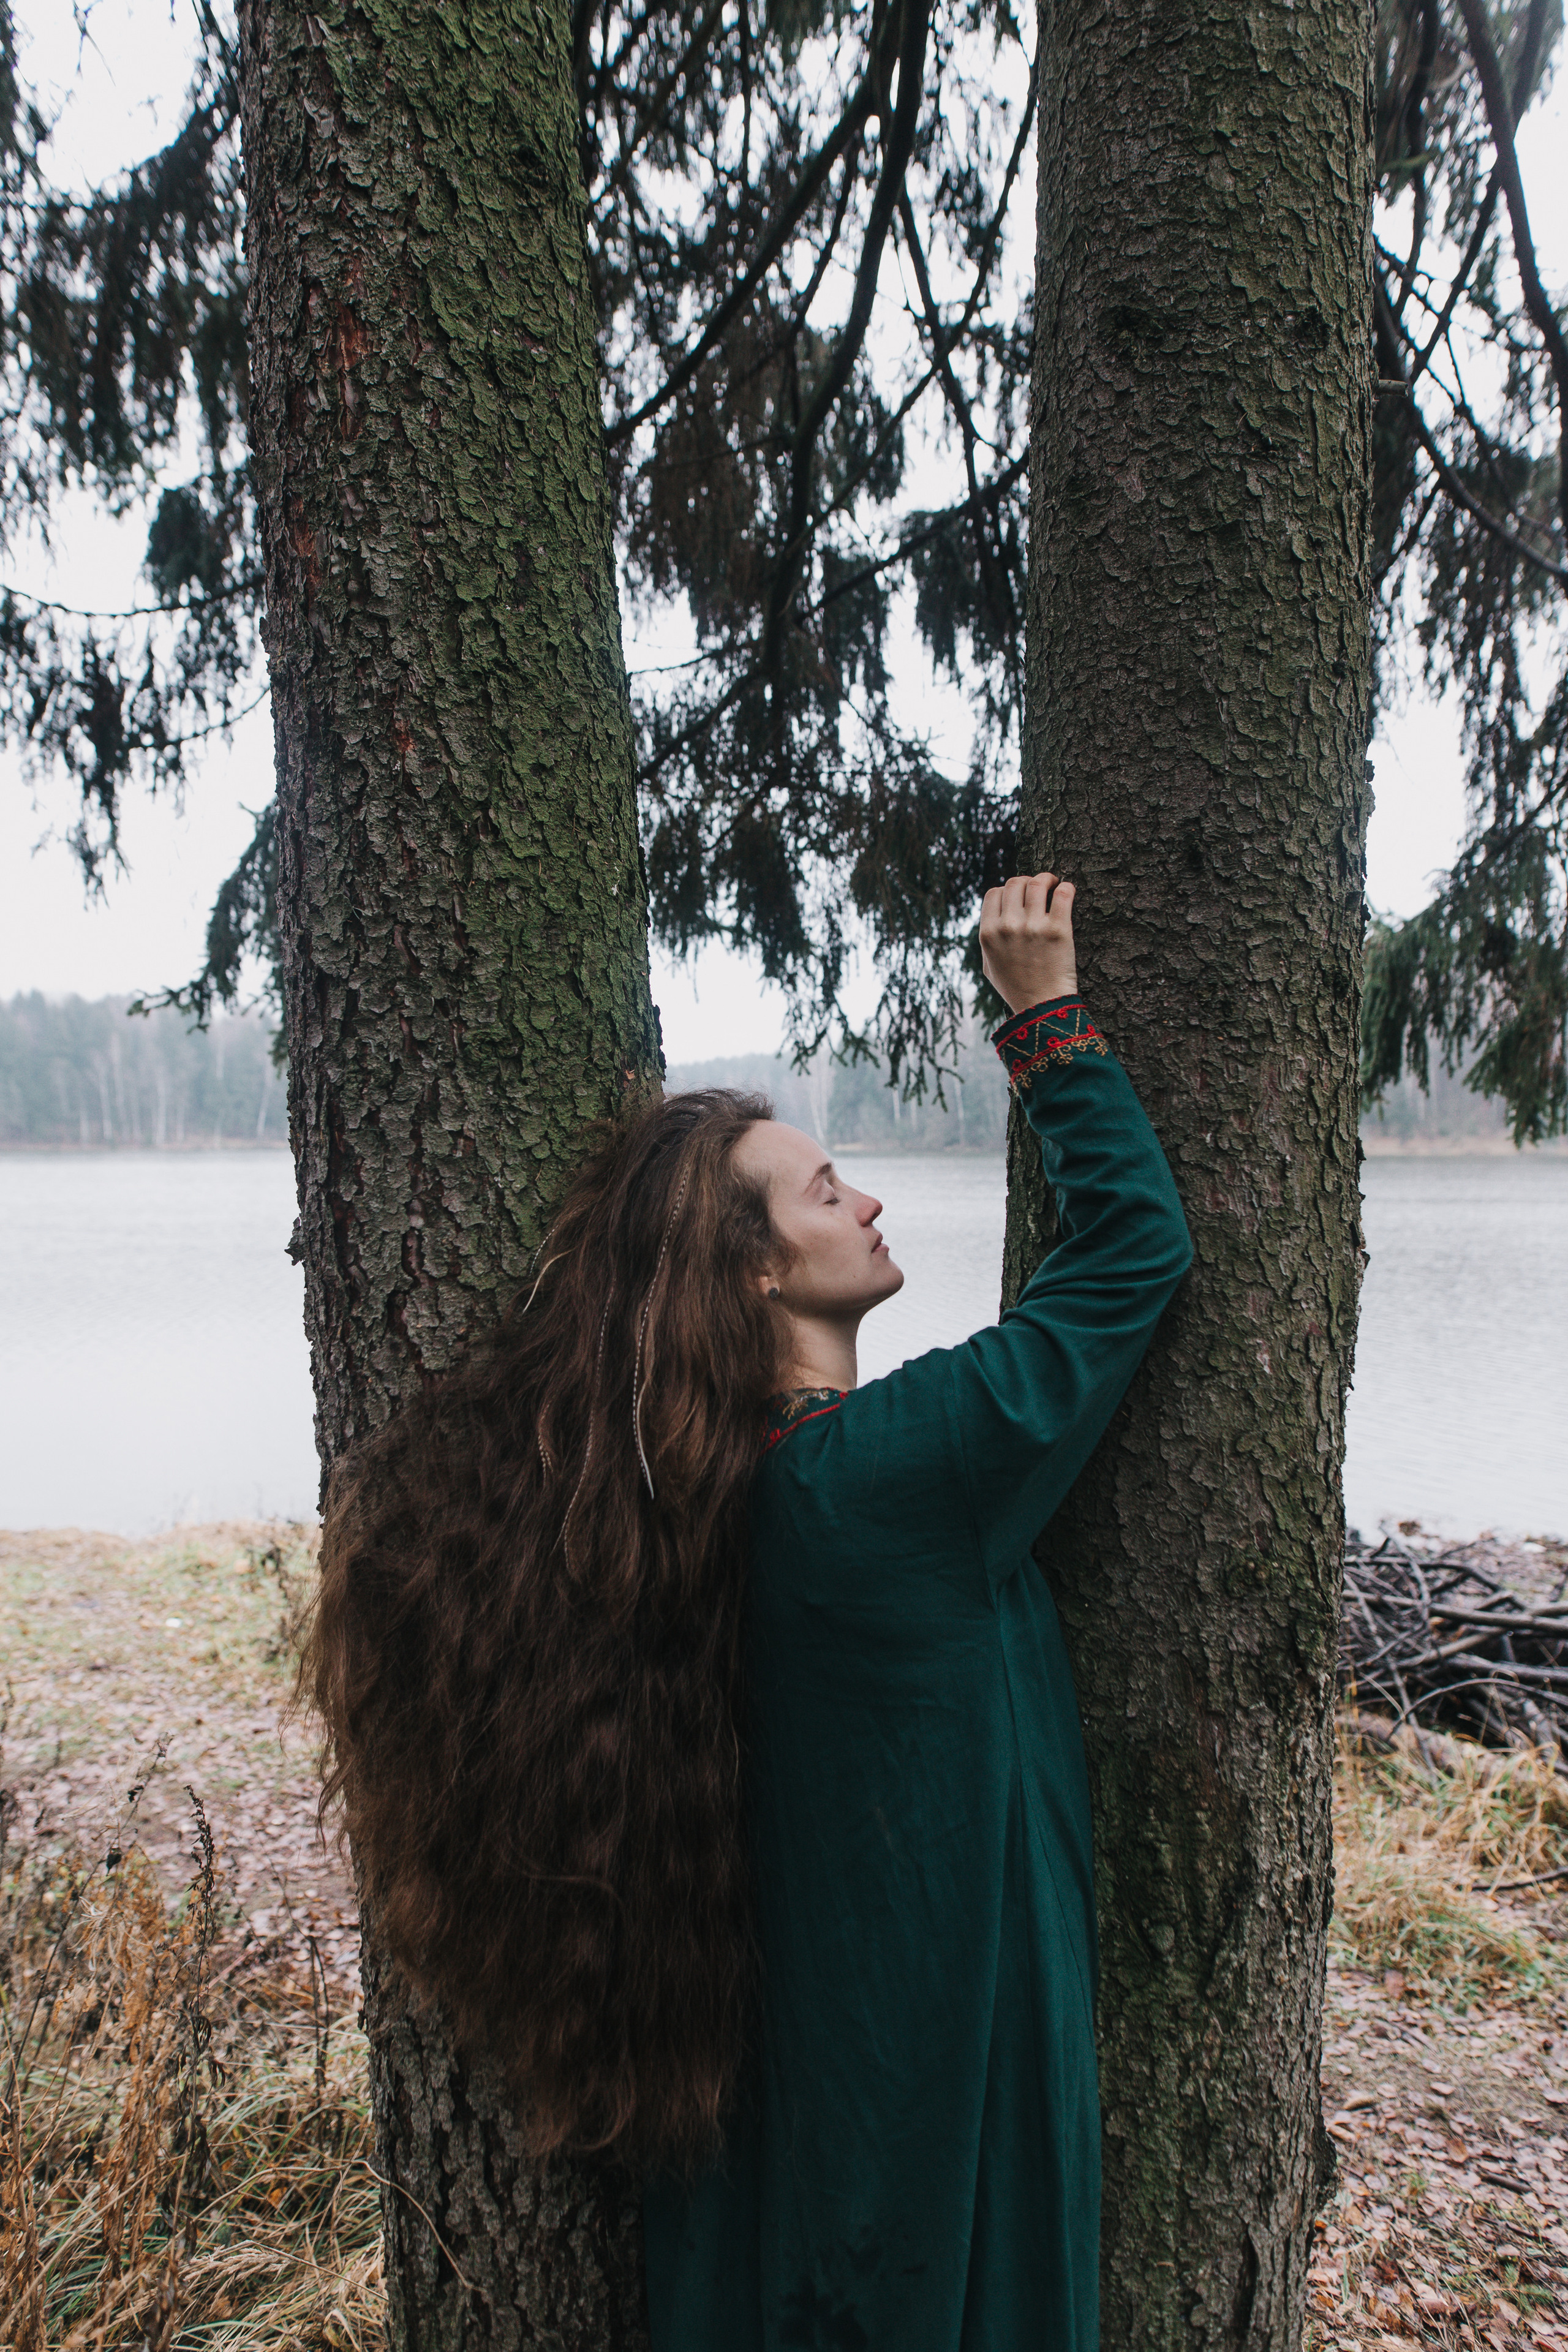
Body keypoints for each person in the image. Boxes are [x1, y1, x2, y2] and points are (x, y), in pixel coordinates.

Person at [303, 872, 1191, 2352]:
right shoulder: (893, 1475)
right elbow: (1129, 1259)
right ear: (759, 1268)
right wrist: (1045, 1019)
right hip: (933, 2086)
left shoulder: (695, 1500)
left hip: (794, 2102)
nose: (870, 1197)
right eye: (825, 1190)